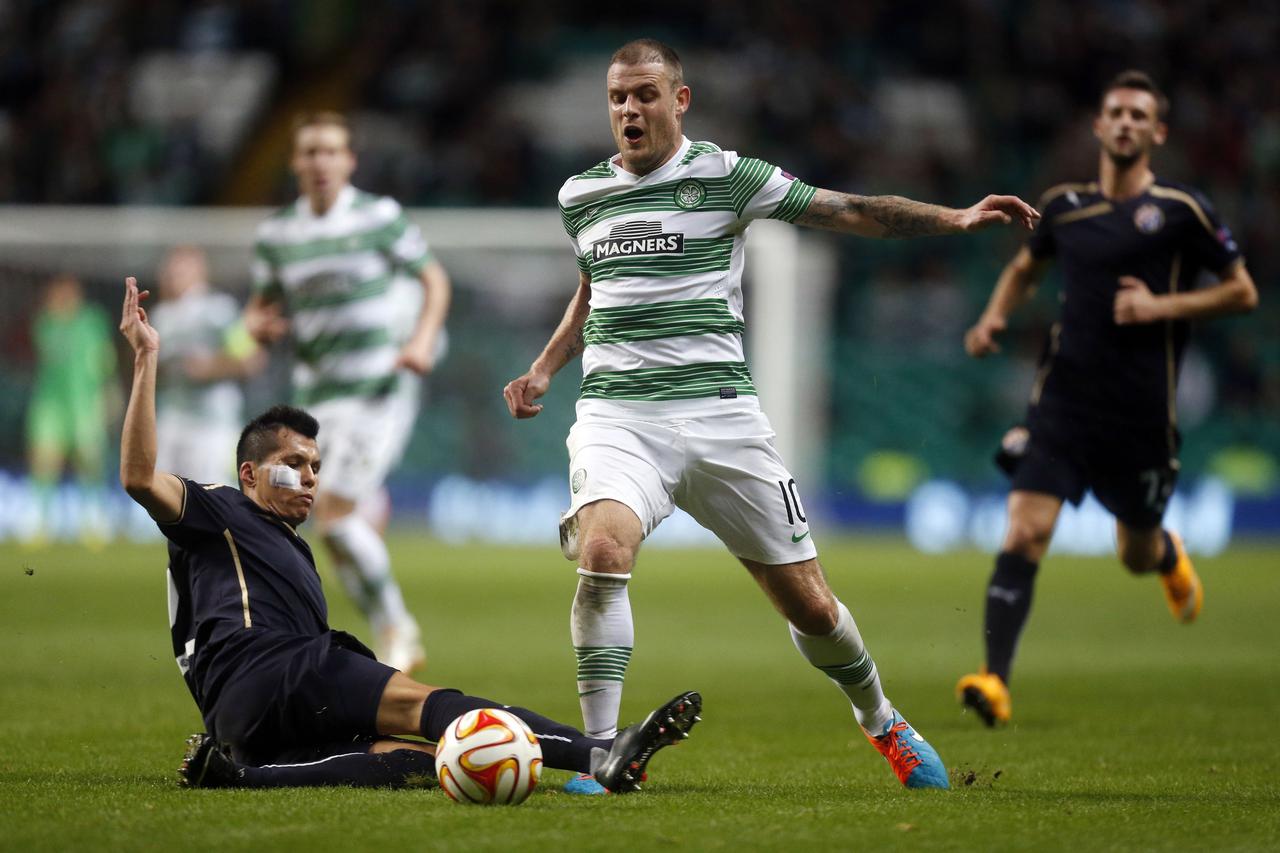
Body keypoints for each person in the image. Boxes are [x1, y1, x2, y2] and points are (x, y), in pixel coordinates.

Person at [503, 38, 1039, 793]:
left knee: (812, 607)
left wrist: (954, 218)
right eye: (619, 97)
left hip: (723, 420)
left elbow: (848, 209)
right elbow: (596, 289)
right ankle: (600, 753)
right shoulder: (580, 196)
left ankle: (882, 719)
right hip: (619, 416)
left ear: (679, 100)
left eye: (646, 94)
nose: (629, 109)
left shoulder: (729, 176)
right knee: (601, 552)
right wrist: (544, 367)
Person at [118, 276, 699, 791]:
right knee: (434, 707)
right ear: (249, 473)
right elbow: (140, 477)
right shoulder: (220, 509)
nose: (310, 478)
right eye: (294, 463)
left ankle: (240, 775)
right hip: (274, 669)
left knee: (419, 762)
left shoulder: (277, 545)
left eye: (316, 467)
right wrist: (147, 360)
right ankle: (597, 752)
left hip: (239, 717)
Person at [955, 71, 1258, 727]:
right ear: (1097, 126)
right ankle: (995, 678)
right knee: (1027, 529)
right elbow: (1024, 267)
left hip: (1143, 413)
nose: (1125, 122)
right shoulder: (1063, 207)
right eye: (1115, 111)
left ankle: (1168, 555)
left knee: (1134, 554)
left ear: (1157, 132)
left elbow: (1243, 291)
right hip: (1063, 403)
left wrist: (1161, 306)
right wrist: (993, 318)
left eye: (1138, 115)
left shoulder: (1184, 210)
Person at [244, 112, 452, 673]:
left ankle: (396, 632)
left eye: (330, 151)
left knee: (333, 515)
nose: (320, 162)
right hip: (317, 399)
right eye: (309, 152)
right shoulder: (277, 236)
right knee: (330, 530)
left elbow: (435, 280)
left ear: (349, 161)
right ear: (295, 163)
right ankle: (392, 628)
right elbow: (259, 310)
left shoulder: (378, 217)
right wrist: (257, 327)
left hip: (379, 389)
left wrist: (424, 340)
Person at [150, 246, 263, 484]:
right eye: (170, 269)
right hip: (172, 417)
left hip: (212, 422)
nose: (173, 275)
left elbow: (251, 359)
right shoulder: (161, 316)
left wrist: (210, 368)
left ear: (199, 272)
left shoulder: (219, 311)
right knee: (165, 495)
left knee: (212, 497)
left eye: (181, 269)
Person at [25, 273, 117, 545]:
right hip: (51, 405)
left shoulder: (92, 322)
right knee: (44, 460)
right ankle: (40, 519)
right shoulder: (45, 323)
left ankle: (94, 518)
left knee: (89, 462)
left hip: (84, 404)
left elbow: (104, 362)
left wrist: (108, 395)